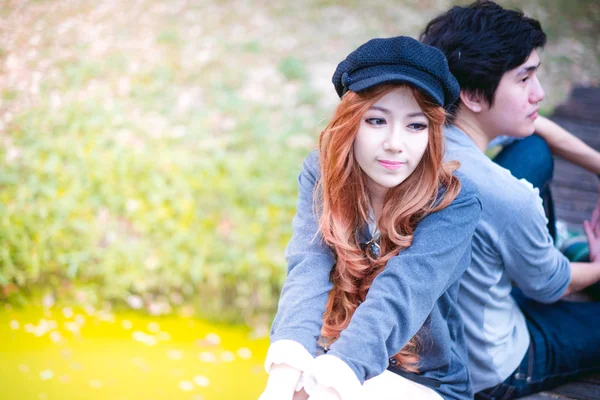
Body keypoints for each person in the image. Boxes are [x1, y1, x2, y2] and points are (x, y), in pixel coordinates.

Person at [259, 36, 482, 400]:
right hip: (332, 358)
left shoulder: (453, 202)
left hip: (422, 382)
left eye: (416, 126)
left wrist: (328, 385)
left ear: (433, 133)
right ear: (350, 123)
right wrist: (282, 379)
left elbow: (400, 296)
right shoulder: (322, 174)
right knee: (291, 384)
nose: (395, 143)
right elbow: (308, 266)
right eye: (377, 120)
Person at [418, 1, 600, 398]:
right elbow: (551, 286)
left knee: (532, 147)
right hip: (492, 366)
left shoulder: (420, 131)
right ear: (472, 95)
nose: (540, 93)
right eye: (524, 79)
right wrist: (597, 265)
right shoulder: (507, 196)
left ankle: (545, 248)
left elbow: (537, 126)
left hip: (459, 307)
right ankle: (559, 250)